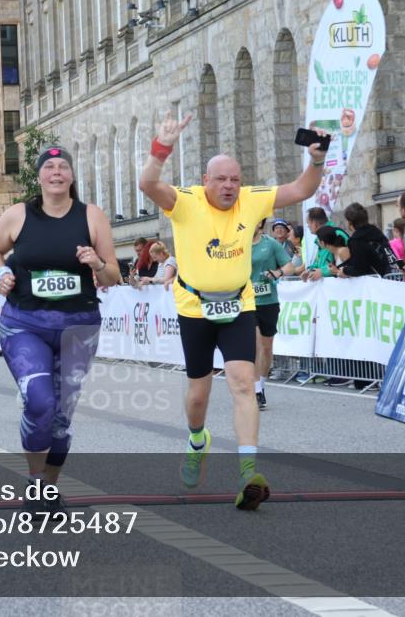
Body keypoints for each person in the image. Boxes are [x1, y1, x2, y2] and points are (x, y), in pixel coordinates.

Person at [138, 110, 329, 510]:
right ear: (205, 180)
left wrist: (315, 159)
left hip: (239, 304)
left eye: (235, 180)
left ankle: (248, 473)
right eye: (221, 179)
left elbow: (302, 189)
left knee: (243, 381)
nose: (229, 186)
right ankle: (197, 440)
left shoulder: (252, 200)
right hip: (194, 307)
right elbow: (148, 183)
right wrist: (162, 148)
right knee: (198, 395)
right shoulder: (186, 202)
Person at [0, 144, 120, 517]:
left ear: (72, 176)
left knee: (60, 419)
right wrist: (0, 272)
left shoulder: (92, 216)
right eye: (49, 167)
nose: (56, 172)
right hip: (25, 324)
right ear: (40, 176)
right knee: (40, 401)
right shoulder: (18, 215)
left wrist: (97, 262)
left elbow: (113, 275)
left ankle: (48, 488)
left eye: (63, 167)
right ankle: (34, 480)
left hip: (78, 327)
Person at [250, 219, 294, 410]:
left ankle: (261, 385)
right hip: (246, 302)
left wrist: (277, 273)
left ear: (259, 224)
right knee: (257, 344)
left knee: (267, 348)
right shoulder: (236, 244)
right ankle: (255, 390)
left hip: (268, 300)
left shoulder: (270, 243)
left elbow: (289, 266)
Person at [338, 202, 396, 277]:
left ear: (350, 222)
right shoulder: (375, 231)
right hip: (391, 275)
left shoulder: (356, 240)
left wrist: (344, 270)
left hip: (378, 281)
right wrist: (339, 268)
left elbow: (359, 269)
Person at [300, 207, 349, 281]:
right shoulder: (320, 238)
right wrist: (310, 270)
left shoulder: (336, 234)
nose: (308, 226)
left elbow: (348, 263)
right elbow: (320, 261)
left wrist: (323, 271)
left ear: (314, 223)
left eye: (308, 223)